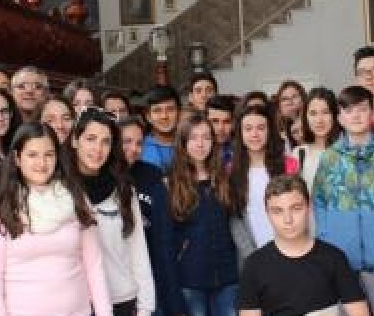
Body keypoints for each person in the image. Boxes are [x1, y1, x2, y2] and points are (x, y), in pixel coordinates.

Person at [0, 122, 112, 316]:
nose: (41, 163)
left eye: (48, 154)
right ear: (17, 158)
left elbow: (94, 268)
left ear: (57, 158)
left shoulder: (77, 200)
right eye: (32, 155)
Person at [312, 85, 374, 316]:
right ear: (340, 118)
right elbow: (319, 202)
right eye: (348, 110)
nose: (355, 115)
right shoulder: (329, 158)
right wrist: (327, 237)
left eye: (362, 109)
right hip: (341, 267)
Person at [236, 175, 371, 316]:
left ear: (308, 207)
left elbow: (359, 312)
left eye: (296, 208)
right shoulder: (254, 265)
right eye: (278, 211)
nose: (287, 219)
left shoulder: (334, 258)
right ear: (267, 213)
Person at [70, 109, 156, 316]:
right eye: (90, 139)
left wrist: (145, 309)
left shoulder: (123, 189)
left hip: (121, 299)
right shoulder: (61, 189)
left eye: (105, 141)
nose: (97, 149)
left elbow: (138, 251)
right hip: (77, 302)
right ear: (75, 140)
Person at [169, 113, 238, 316]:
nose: (200, 144)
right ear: (183, 143)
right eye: (193, 138)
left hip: (226, 274)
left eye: (206, 137)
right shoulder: (171, 182)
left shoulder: (224, 178)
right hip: (191, 276)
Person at [118, 117, 181, 316]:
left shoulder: (151, 174)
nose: (134, 148)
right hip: (117, 279)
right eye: (127, 141)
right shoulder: (102, 179)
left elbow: (164, 237)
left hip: (152, 273)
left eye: (139, 143)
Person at [230, 105, 298, 267]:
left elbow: (298, 211)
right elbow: (234, 219)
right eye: (248, 129)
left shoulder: (289, 165)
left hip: (289, 252)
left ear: (269, 131)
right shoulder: (231, 171)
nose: (254, 134)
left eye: (261, 128)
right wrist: (253, 256)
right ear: (240, 133)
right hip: (252, 258)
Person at [295, 87, 340, 194]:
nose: (319, 120)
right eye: (313, 113)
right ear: (306, 117)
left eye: (325, 112)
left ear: (335, 115)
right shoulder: (297, 153)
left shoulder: (348, 150)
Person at [140, 86, 180, 173]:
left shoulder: (192, 144)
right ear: (148, 117)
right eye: (157, 110)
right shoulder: (138, 148)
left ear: (179, 113)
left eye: (170, 109)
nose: (164, 116)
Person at [205, 94, 236, 167]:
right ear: (205, 121)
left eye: (227, 121)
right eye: (215, 121)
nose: (221, 128)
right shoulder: (193, 151)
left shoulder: (241, 153)